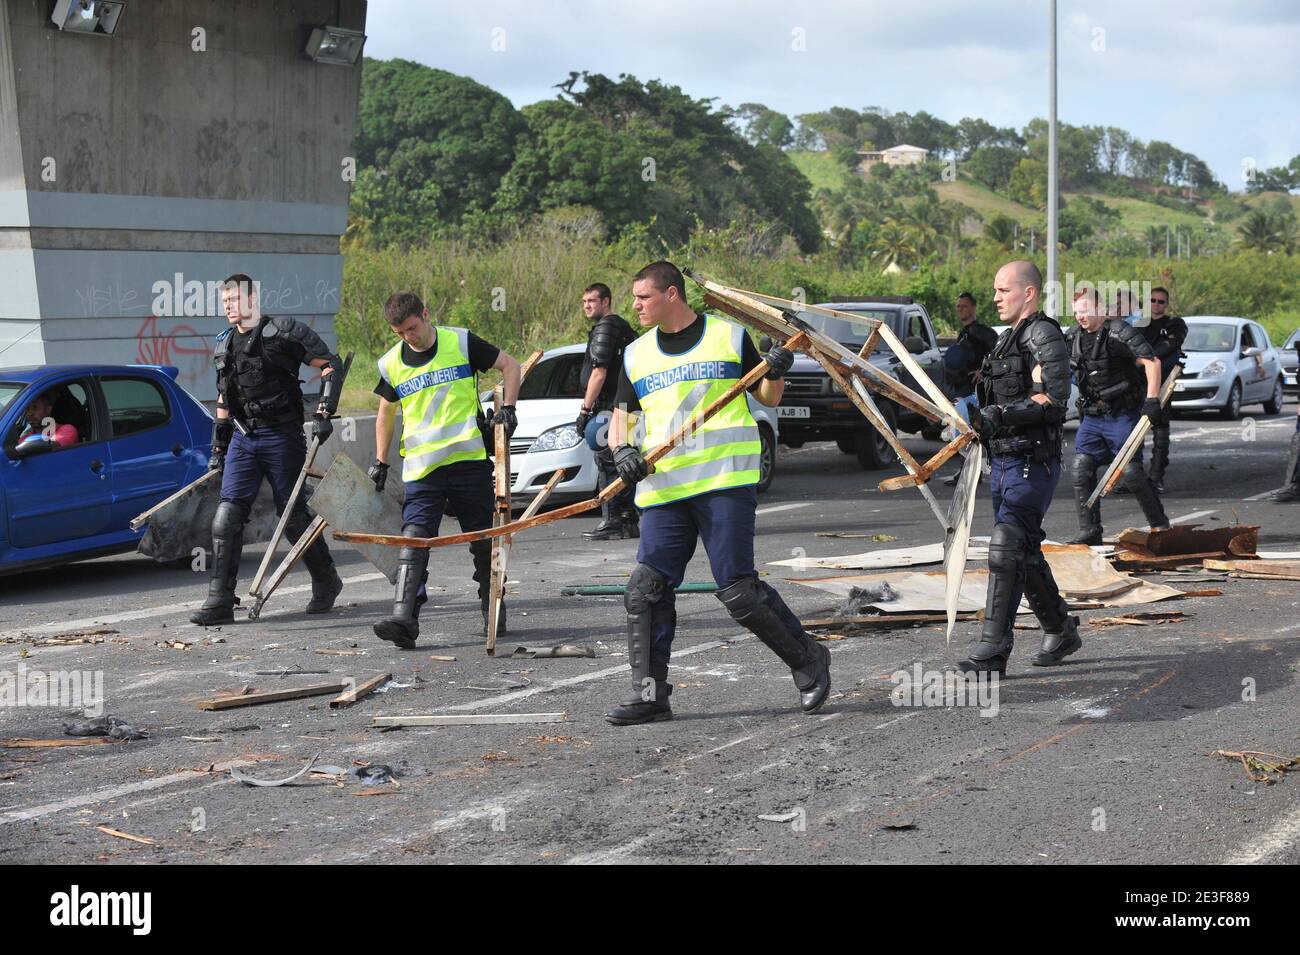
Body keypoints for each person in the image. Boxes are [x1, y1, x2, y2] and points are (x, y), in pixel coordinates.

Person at [602, 261, 830, 725]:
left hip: (724, 481)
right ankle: (650, 695)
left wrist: (776, 368)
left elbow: (768, 397)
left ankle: (809, 661)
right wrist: (623, 448)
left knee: (739, 591)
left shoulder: (728, 336)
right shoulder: (635, 354)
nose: (635, 305)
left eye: (643, 297)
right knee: (646, 590)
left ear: (671, 294)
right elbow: (619, 422)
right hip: (665, 489)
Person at [367, 292, 521, 649]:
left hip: (468, 462)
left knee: (483, 539)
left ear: (425, 314)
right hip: (423, 469)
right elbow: (384, 414)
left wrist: (509, 409)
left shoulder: (461, 342)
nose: (409, 337)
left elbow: (511, 366)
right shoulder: (391, 363)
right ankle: (405, 618)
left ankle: (492, 607)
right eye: (400, 332)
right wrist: (380, 460)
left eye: (412, 328)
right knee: (414, 540)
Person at [191, 274, 344, 625]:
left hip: (281, 435)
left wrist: (324, 412)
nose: (228, 307)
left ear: (252, 299)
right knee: (226, 516)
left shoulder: (284, 331)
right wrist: (219, 445)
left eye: (234, 300)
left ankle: (326, 581)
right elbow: (224, 398)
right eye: (224, 301)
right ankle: (220, 600)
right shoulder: (225, 344)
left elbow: (330, 365)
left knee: (291, 514)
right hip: (244, 440)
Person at [961, 260, 1076, 674]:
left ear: (1028, 292)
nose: (994, 298)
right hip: (1003, 462)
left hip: (1032, 462)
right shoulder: (1003, 341)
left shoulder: (1043, 334)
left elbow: (1056, 400)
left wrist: (999, 417)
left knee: (1005, 548)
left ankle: (992, 652)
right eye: (994, 290)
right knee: (1022, 550)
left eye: (1003, 290)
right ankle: (1062, 628)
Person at [1067, 286, 1169, 545]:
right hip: (1092, 415)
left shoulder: (1119, 331)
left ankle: (1160, 526)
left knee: (1131, 472)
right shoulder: (1073, 337)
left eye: (1085, 310)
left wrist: (1152, 400)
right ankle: (1090, 532)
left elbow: (1151, 362)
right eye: (1076, 312)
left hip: (1122, 413)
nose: (1080, 316)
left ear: (1100, 309)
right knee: (1081, 468)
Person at [575, 282, 640, 541]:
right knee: (617, 457)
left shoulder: (607, 326)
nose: (587, 306)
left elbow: (599, 371)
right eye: (584, 302)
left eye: (592, 300)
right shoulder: (616, 327)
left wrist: (584, 410)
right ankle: (626, 519)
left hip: (614, 405)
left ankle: (617, 520)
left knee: (609, 460)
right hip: (619, 405)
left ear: (606, 301)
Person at [1138, 287, 1187, 491]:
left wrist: (1142, 359)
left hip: (1163, 382)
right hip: (1137, 382)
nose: (1156, 304)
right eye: (1153, 300)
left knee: (1160, 428)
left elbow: (1169, 346)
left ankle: (1156, 476)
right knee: (1134, 430)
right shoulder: (1138, 324)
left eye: (1161, 301)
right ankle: (1134, 477)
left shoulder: (1174, 324)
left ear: (1166, 304)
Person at [15, 390, 79, 451]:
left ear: (48, 409)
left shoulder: (67, 430)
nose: (30, 413)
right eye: (27, 409)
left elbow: (50, 449)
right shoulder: (24, 438)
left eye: (35, 407)